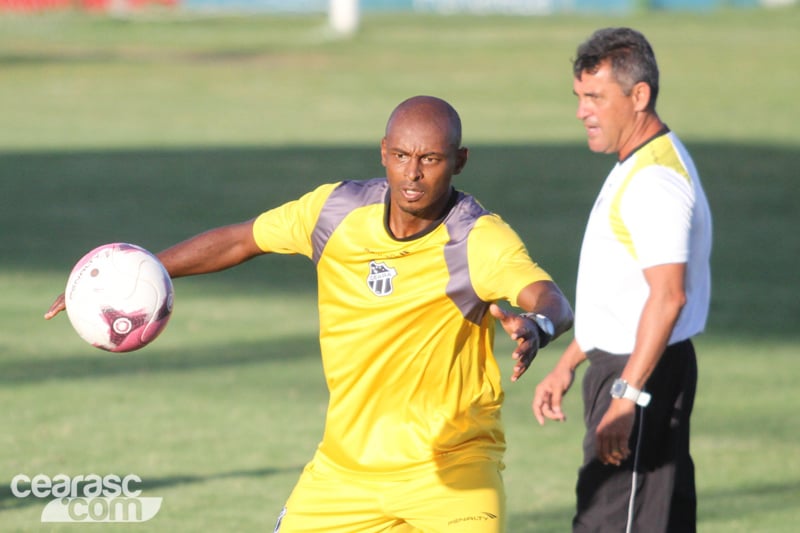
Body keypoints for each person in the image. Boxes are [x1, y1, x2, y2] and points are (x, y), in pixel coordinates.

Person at [46, 95, 573, 533]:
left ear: (459, 161)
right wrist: (134, 276)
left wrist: (537, 326)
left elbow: (551, 300)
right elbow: (239, 240)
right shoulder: (335, 213)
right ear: (383, 153)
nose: (412, 175)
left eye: (431, 159)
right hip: (345, 474)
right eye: (401, 156)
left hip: (452, 472)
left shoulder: (476, 239)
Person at [532, 28, 712, 533]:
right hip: (633, 367)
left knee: (608, 523)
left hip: (639, 375)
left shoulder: (654, 182)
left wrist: (627, 395)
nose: (581, 111)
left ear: (639, 96)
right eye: (579, 97)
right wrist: (569, 362)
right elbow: (623, 293)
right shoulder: (639, 161)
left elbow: (668, 296)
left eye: (595, 97)